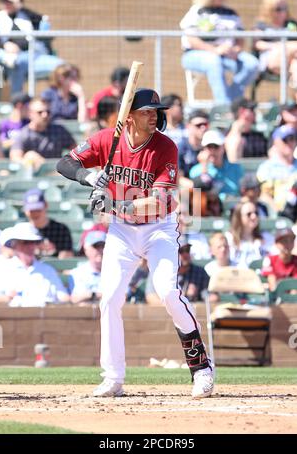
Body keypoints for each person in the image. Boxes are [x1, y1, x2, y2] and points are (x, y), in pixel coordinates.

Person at [56, 87, 214, 398]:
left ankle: (202, 369)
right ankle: (113, 377)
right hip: (122, 232)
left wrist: (112, 204)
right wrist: (88, 178)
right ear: (129, 117)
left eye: (156, 111)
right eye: (146, 111)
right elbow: (64, 163)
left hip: (159, 228)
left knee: (168, 293)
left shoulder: (166, 147)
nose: (154, 116)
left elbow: (159, 201)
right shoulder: (106, 139)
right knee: (111, 299)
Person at [179, 0, 258, 104]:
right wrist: (214, 50)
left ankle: (233, 101)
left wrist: (235, 50)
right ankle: (224, 106)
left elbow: (240, 38)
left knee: (251, 64)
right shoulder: (197, 11)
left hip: (227, 55)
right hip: (196, 55)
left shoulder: (231, 13)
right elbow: (191, 39)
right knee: (213, 60)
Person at [0, 0, 63, 94]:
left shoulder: (26, 15)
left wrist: (19, 6)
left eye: (10, 1)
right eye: (3, 1)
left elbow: (43, 21)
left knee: (61, 66)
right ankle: (17, 102)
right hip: (4, 59)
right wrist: (4, 45)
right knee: (14, 62)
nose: (6, 4)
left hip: (30, 57)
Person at [0, 222, 70, 306]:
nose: (30, 246)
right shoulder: (2, 268)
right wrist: (7, 298)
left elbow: (63, 297)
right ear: (14, 245)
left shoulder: (48, 270)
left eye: (33, 242)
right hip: (13, 316)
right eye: (25, 242)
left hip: (46, 316)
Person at [9, 98, 76, 169]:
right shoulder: (24, 134)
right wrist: (29, 160)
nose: (45, 115)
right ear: (30, 114)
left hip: (56, 174)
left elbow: (76, 151)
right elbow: (15, 157)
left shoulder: (59, 130)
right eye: (40, 112)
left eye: (48, 112)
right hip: (33, 176)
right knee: (30, 155)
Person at [253, 0, 297, 89]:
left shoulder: (291, 24)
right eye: (278, 9)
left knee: (295, 67)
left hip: (290, 61)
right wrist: (278, 46)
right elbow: (257, 43)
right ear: (269, 10)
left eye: (285, 8)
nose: (282, 12)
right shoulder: (262, 25)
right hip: (271, 59)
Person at [189, 129, 243, 200]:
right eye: (209, 147)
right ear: (204, 149)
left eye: (216, 146)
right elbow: (199, 197)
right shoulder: (196, 171)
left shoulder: (236, 168)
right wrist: (204, 167)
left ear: (223, 147)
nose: (212, 151)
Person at [23, 188, 74, 259]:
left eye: (38, 210)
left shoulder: (60, 229)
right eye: (31, 210)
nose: (35, 214)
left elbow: (65, 260)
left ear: (46, 205)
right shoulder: (22, 231)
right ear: (25, 210)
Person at [256, 125, 297, 211]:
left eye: (292, 138)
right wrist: (277, 214)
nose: (290, 143)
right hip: (281, 215)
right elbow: (264, 195)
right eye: (285, 140)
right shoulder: (267, 168)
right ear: (276, 142)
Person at [225, 200, 274, 268]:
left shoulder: (267, 238)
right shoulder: (228, 239)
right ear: (239, 217)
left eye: (256, 213)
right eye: (249, 214)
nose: (254, 216)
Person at [68, 230, 106, 305]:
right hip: (85, 313)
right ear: (86, 250)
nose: (100, 250)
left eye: (103, 246)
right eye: (96, 247)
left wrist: (90, 295)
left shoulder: (117, 271)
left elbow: (124, 295)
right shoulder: (78, 273)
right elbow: (76, 299)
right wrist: (95, 295)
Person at [178, 109, 209, 181]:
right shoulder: (181, 148)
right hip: (187, 189)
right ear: (188, 126)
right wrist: (195, 186)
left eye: (205, 124)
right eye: (198, 125)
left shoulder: (212, 146)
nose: (203, 128)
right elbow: (179, 179)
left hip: (208, 186)